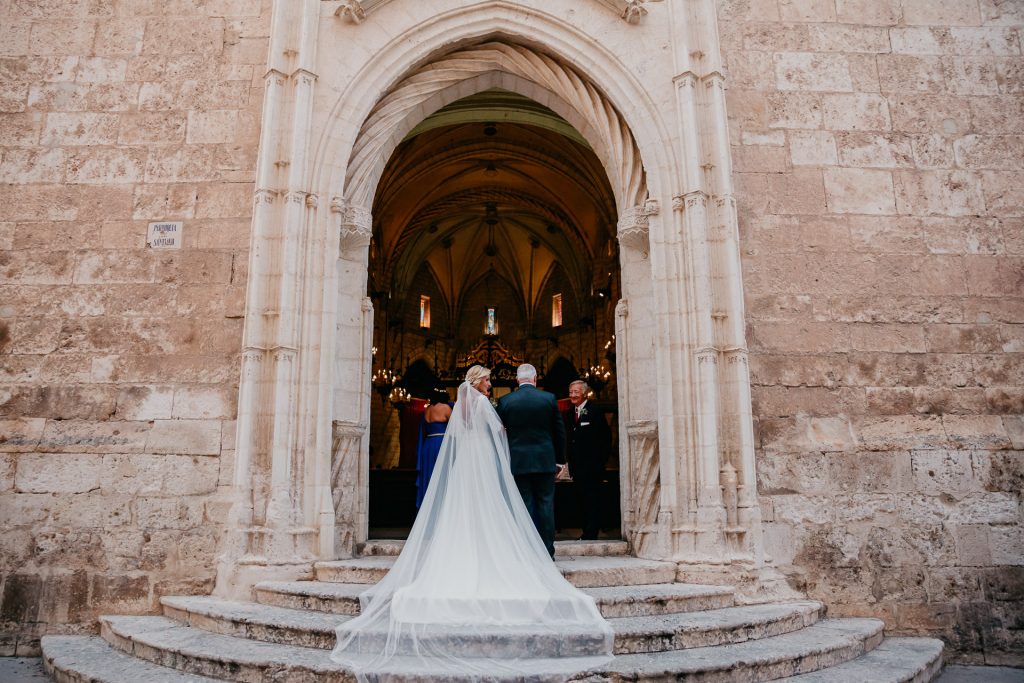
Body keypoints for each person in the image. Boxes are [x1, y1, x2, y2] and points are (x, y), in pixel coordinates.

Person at [331, 365, 613, 681]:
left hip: (466, 463)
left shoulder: (462, 405)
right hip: (487, 461)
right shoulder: (484, 404)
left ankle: (462, 553)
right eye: (488, 380)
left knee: (463, 510)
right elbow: (499, 433)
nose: (491, 385)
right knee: (496, 509)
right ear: (477, 381)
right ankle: (523, 551)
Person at [496, 363, 566, 559]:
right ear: (535, 379)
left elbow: (498, 432)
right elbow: (559, 432)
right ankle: (547, 552)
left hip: (518, 461)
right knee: (546, 505)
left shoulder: (506, 401)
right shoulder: (549, 399)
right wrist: (560, 461)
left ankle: (526, 551)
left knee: (524, 505)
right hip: (545, 460)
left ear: (518, 380)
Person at [567, 379, 612, 540]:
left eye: (576, 392)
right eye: (571, 392)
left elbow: (605, 438)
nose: (572, 395)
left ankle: (591, 534)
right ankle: (585, 531)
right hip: (577, 468)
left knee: (592, 501)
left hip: (593, 468)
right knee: (581, 501)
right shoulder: (571, 412)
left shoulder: (594, 410)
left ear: (585, 393)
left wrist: (601, 462)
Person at [414, 387, 452, 508]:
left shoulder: (427, 410)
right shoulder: (446, 408)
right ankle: (441, 507)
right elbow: (456, 427)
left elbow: (423, 430)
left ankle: (428, 507)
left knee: (429, 477)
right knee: (442, 476)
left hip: (428, 445)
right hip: (440, 444)